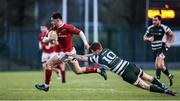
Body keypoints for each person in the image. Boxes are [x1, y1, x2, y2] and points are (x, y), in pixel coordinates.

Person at [66, 42, 178, 96]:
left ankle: (166, 92)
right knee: (148, 77)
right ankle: (163, 85)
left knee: (145, 86)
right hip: (129, 65)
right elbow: (95, 52)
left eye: (92, 51)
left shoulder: (96, 59)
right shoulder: (107, 49)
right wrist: (92, 51)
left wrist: (71, 55)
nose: (91, 53)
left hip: (126, 73)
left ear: (95, 51)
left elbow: (82, 57)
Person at [35, 12, 107, 92]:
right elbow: (44, 39)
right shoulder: (53, 28)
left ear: (58, 20)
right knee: (78, 71)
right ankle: (99, 70)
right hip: (67, 53)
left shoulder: (68, 27)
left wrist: (86, 43)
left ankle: (46, 86)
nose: (52, 22)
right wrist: (49, 39)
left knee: (48, 64)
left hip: (68, 53)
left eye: (53, 21)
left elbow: (80, 32)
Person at [143, 15, 175, 86]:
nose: (154, 22)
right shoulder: (150, 28)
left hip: (162, 48)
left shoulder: (164, 27)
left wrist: (169, 43)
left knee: (158, 64)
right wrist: (149, 39)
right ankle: (170, 76)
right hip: (154, 49)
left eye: (155, 20)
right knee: (160, 66)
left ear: (159, 21)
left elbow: (172, 35)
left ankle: (158, 81)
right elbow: (144, 37)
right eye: (153, 20)